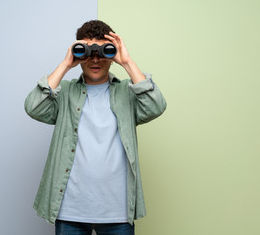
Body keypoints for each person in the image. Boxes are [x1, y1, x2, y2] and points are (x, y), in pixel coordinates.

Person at [24, 20, 167, 235]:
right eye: (88, 51)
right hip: (70, 208)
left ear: (112, 56)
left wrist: (127, 62)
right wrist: (65, 64)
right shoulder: (65, 92)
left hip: (117, 210)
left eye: (103, 51)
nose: (95, 59)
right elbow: (33, 107)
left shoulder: (127, 93)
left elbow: (156, 106)